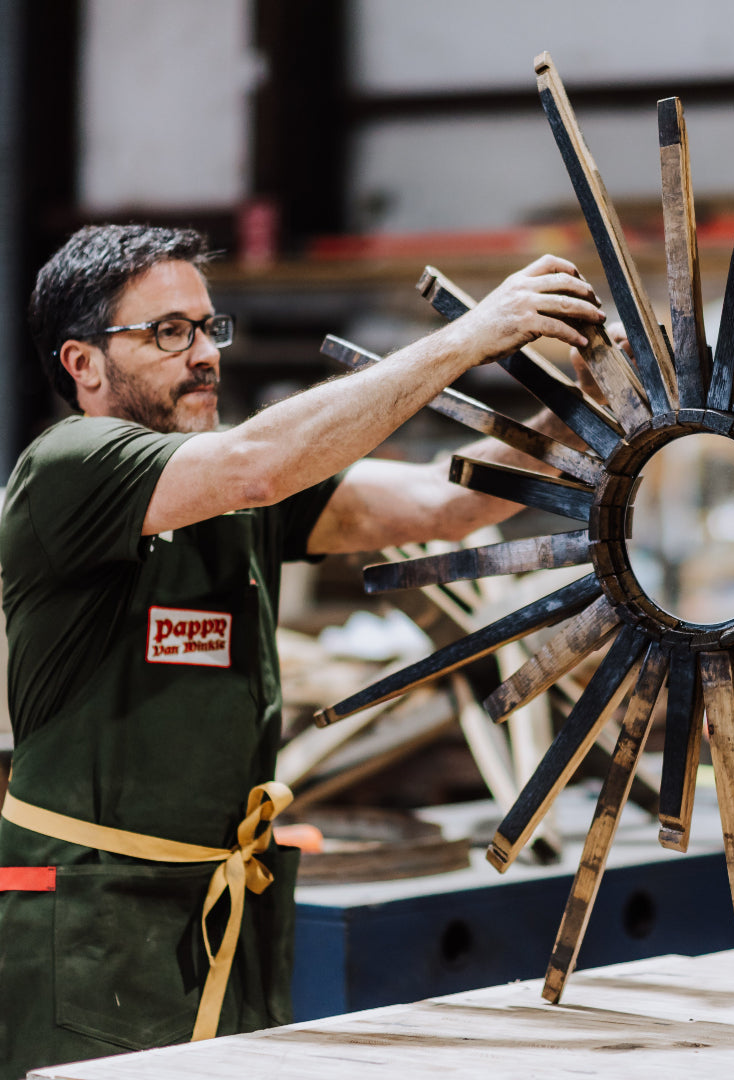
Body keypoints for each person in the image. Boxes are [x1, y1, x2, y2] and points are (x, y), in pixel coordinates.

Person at [0, 223, 607, 1078]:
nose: (203, 353)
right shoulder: (71, 465)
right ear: (83, 366)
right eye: (168, 332)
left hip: (223, 908)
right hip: (96, 919)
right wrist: (473, 335)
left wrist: (581, 412)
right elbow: (255, 464)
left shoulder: (235, 492)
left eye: (209, 327)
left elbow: (445, 506)